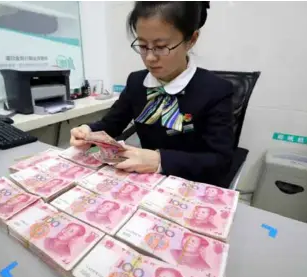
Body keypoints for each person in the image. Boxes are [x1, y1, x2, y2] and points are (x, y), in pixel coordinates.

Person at [70, 2, 234, 186]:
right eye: (142, 45)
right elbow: (111, 124)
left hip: (192, 185)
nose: (149, 58)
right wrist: (88, 133)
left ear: (191, 39)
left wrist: (159, 160)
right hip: (145, 182)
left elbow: (220, 161)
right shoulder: (136, 82)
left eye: (161, 46)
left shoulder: (216, 90)